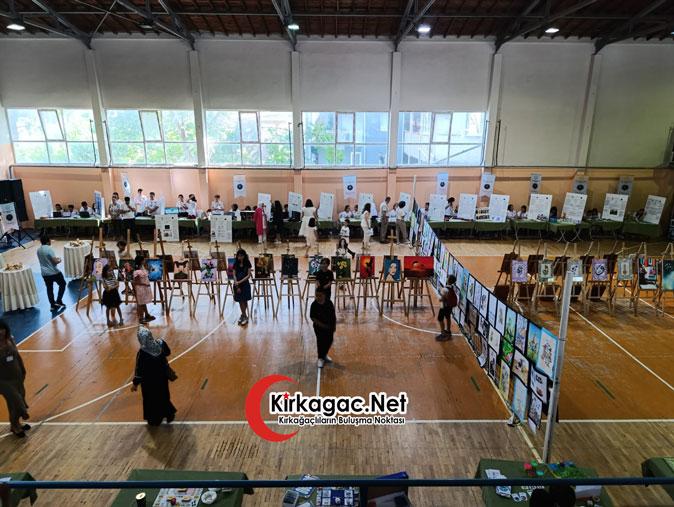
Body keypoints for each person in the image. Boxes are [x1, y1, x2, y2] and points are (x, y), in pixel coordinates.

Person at [131, 327, 176, 426]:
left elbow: (139, 370)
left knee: (150, 400)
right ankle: (169, 413)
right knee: (163, 396)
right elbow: (168, 352)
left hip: (148, 382)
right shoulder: (161, 343)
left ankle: (154, 419)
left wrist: (135, 384)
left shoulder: (142, 353)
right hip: (162, 378)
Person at [0, 320, 31, 438]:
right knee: (17, 401)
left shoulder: (11, 339)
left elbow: (17, 356)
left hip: (16, 376)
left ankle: (16, 423)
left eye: (2, 329)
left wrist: (23, 370)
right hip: (3, 380)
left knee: (16, 400)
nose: (0, 332)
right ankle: (15, 425)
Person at [37, 235, 66, 311]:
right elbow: (55, 261)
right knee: (62, 284)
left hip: (45, 273)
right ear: (47, 241)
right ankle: (59, 300)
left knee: (49, 289)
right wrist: (59, 259)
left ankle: (52, 305)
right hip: (54, 272)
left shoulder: (38, 250)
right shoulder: (49, 249)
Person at [310, 286, 336, 369]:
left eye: (320, 295)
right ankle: (320, 358)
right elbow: (312, 317)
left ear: (324, 295)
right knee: (320, 342)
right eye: (317, 295)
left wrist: (334, 325)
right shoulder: (314, 305)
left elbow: (333, 315)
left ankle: (324, 354)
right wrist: (322, 325)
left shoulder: (329, 303)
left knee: (330, 340)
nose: (318, 297)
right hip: (319, 328)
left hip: (329, 326)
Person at [133, 255, 155, 325]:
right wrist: (144, 284)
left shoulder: (142, 267)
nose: (145, 261)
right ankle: (141, 318)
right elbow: (135, 281)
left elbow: (144, 275)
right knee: (140, 303)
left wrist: (149, 269)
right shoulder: (136, 270)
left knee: (143, 302)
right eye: (144, 260)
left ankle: (147, 314)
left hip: (144, 288)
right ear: (141, 261)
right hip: (140, 288)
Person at [233, 248, 252, 325]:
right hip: (237, 284)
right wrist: (236, 283)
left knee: (244, 300)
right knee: (240, 300)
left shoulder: (248, 264)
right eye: (238, 256)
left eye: (241, 256)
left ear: (244, 256)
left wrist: (240, 282)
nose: (240, 257)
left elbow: (248, 275)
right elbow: (234, 274)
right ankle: (244, 315)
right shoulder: (235, 264)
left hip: (245, 284)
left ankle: (243, 315)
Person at [437, 275, 458, 341]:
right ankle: (448, 330)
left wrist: (440, 299)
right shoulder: (452, 287)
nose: (446, 278)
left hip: (444, 306)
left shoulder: (444, 289)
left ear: (448, 280)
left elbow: (442, 299)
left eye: (447, 278)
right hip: (449, 306)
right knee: (448, 316)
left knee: (440, 318)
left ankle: (443, 334)